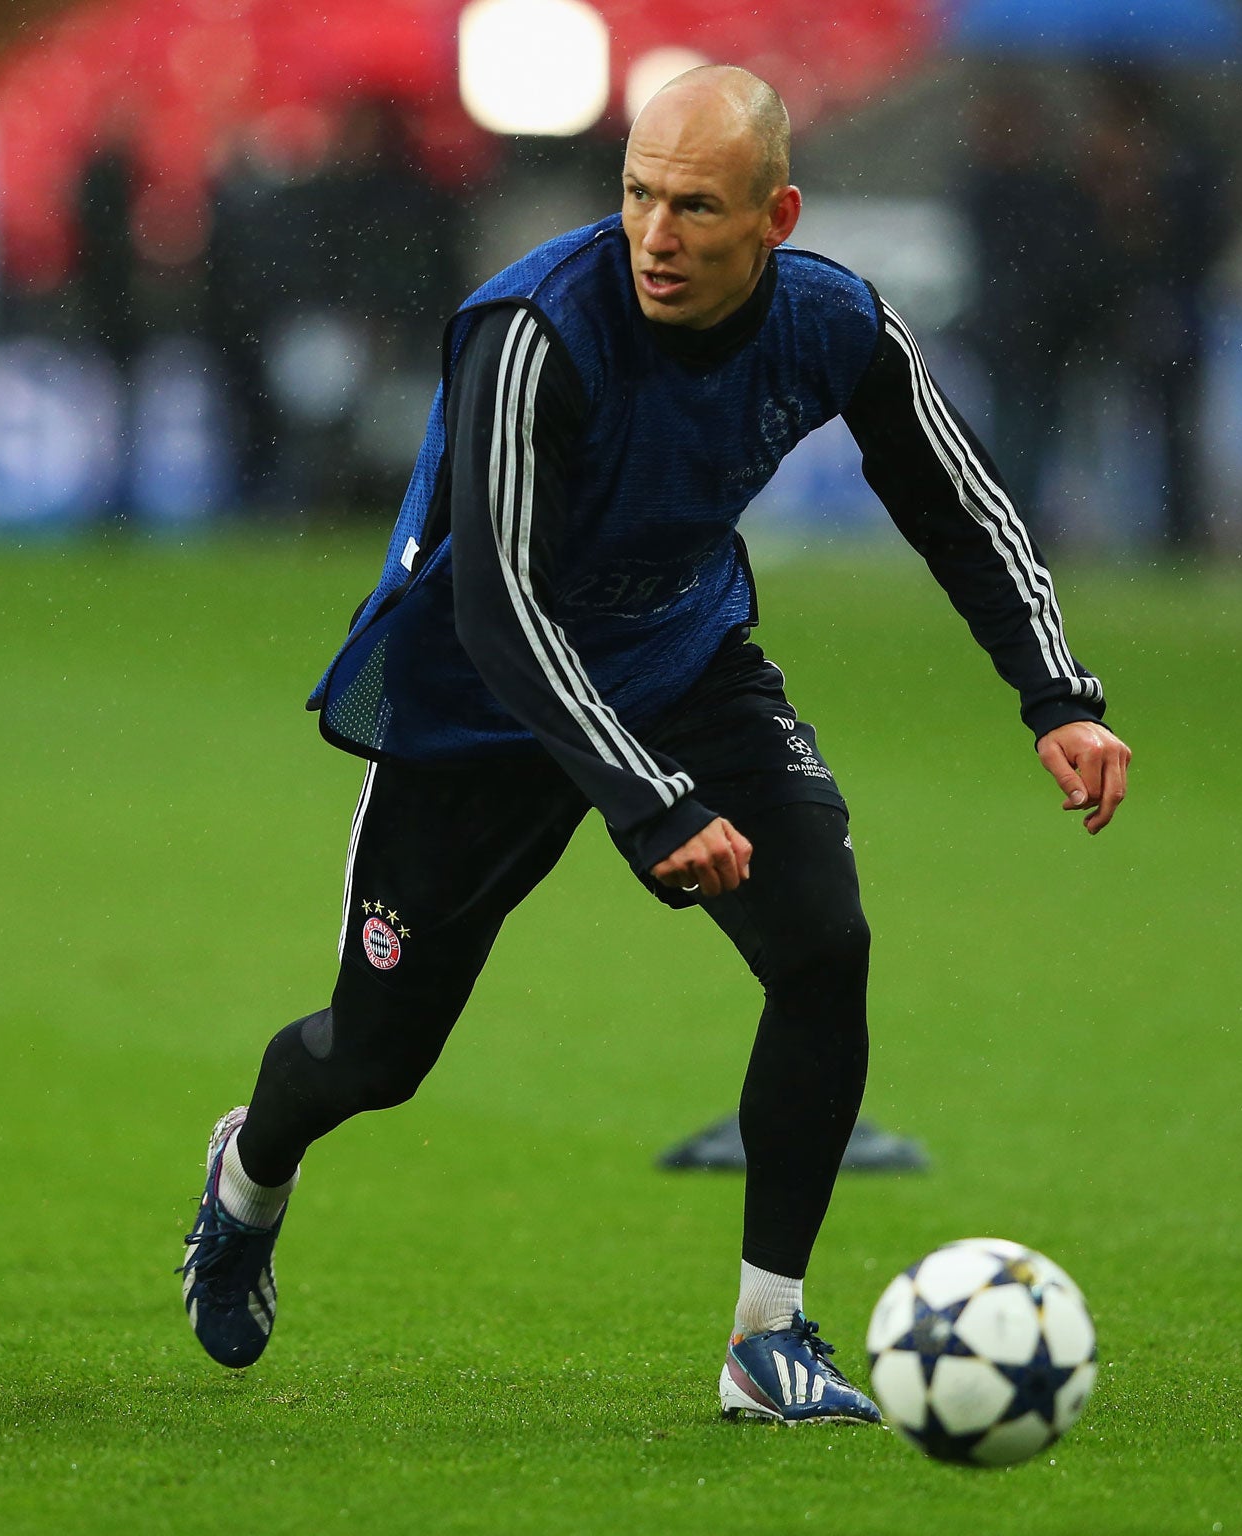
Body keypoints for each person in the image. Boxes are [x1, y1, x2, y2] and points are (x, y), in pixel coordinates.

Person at [177, 66, 1131, 1424]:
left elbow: (956, 500)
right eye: (638, 195)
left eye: (695, 205)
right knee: (376, 1058)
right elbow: (500, 603)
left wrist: (1060, 694)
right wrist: (648, 801)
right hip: (479, 706)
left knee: (824, 946)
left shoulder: (834, 323)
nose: (657, 234)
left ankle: (770, 1339)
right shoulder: (533, 332)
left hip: (683, 662)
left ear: (776, 217)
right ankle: (247, 1174)